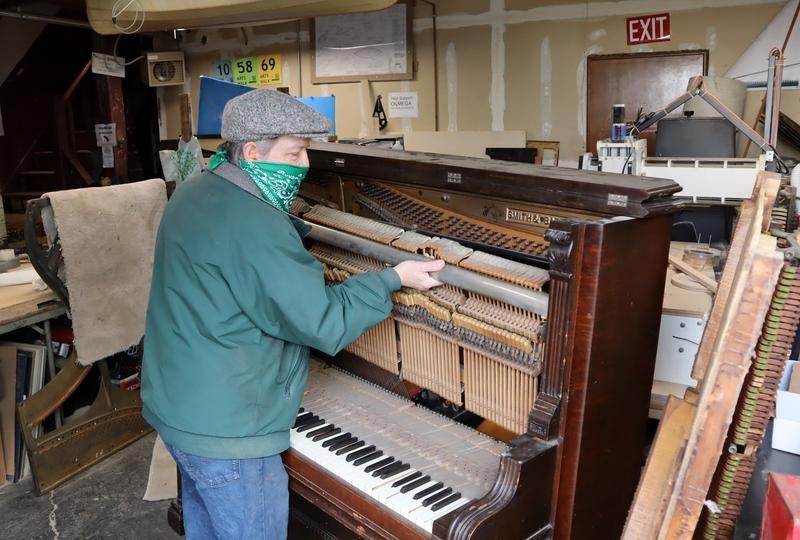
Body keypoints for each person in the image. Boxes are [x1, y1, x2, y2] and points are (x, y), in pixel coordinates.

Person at [140, 88, 444, 540]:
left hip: (177, 407)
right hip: (230, 432)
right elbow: (324, 321)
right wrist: (391, 279)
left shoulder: (197, 189)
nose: (304, 165)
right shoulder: (253, 225)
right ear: (251, 152)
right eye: (294, 152)